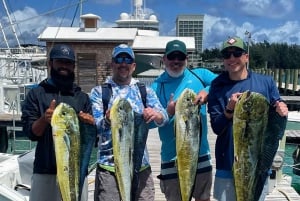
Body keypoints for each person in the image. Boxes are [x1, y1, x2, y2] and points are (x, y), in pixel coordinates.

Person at [207, 36, 289, 201]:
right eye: (227, 55)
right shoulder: (217, 85)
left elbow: (277, 111)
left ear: (246, 57)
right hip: (227, 165)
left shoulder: (266, 82)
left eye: (237, 53)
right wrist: (229, 109)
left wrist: (282, 108)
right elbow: (216, 128)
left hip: (258, 167)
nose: (232, 59)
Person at [90, 44, 168, 201]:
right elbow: (95, 127)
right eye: (119, 59)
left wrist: (156, 114)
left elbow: (164, 117)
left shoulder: (144, 90)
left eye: (127, 60)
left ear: (133, 66)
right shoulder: (100, 92)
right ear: (112, 64)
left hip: (141, 164)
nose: (123, 64)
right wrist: (106, 120)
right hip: (109, 166)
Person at [21, 44, 96, 201]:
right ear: (50, 63)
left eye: (68, 63)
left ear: (74, 66)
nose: (64, 66)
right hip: (45, 171)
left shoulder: (82, 98)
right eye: (59, 61)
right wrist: (44, 119)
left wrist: (90, 125)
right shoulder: (36, 94)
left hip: (76, 172)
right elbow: (30, 132)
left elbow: (92, 139)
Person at [151, 39, 217, 201]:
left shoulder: (200, 75)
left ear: (186, 58)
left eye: (180, 57)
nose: (176, 61)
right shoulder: (156, 86)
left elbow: (224, 83)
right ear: (164, 59)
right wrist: (167, 113)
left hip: (200, 154)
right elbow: (149, 123)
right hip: (171, 157)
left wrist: (207, 91)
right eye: (172, 57)